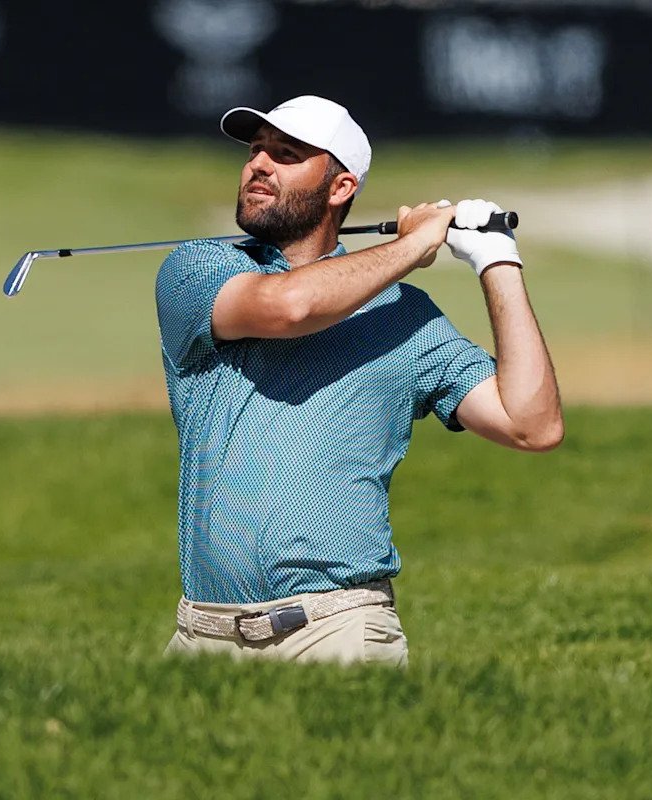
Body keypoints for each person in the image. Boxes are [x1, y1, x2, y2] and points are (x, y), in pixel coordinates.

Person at [154, 95, 563, 666]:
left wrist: (497, 262)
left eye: (286, 154)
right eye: (255, 151)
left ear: (340, 187)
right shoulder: (199, 269)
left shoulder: (403, 317)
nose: (258, 165)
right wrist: (413, 244)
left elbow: (531, 424)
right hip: (202, 634)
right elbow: (290, 307)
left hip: (338, 630)